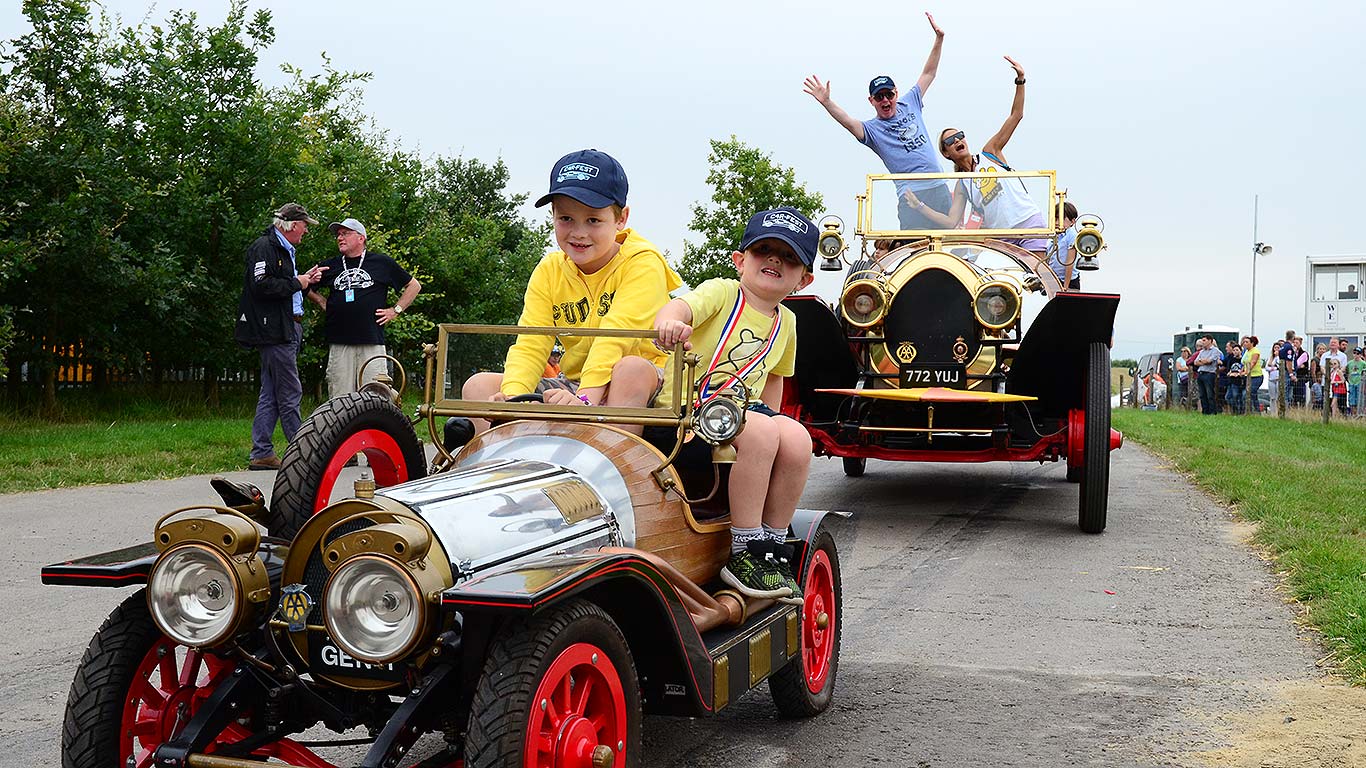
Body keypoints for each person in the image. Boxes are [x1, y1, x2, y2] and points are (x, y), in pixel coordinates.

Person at [651, 207, 818, 605]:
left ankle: (771, 544)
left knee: (796, 438)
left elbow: (775, 379)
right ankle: (744, 549)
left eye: (789, 257)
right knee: (761, 430)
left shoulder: (788, 322)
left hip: (737, 416)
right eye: (764, 251)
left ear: (803, 279)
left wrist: (777, 429)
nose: (775, 260)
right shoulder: (723, 292)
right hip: (685, 413)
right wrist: (671, 321)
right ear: (740, 261)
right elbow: (681, 308)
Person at [459, 149, 681, 436]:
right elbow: (531, 342)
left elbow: (615, 339)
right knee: (478, 387)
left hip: (644, 382)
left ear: (621, 218)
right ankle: (509, 466)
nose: (578, 232)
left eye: (593, 220)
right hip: (576, 382)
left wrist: (584, 400)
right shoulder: (550, 269)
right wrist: (512, 398)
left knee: (630, 369)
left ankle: (614, 469)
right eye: (565, 218)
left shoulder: (643, 263)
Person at [803, 13, 954, 229]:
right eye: (879, 97)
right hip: (911, 194)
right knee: (913, 249)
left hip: (938, 186)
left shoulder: (910, 102)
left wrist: (939, 39)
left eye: (889, 95)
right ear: (871, 100)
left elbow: (929, 73)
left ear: (896, 93)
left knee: (950, 243)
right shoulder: (872, 130)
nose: (885, 100)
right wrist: (827, 102)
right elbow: (847, 121)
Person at [907, 57, 1048, 255]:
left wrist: (1020, 80)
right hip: (1002, 237)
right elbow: (951, 221)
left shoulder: (990, 152)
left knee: (1037, 276)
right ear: (946, 154)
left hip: (1027, 221)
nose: (957, 141)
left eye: (959, 136)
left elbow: (1016, 115)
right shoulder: (962, 183)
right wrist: (918, 205)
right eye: (950, 141)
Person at [235, 203, 328, 470]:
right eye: (305, 226)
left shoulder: (283, 249)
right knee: (290, 390)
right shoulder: (265, 247)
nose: (306, 231)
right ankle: (303, 455)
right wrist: (297, 282)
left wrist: (306, 279)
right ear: (292, 225)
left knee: (272, 392)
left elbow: (283, 284)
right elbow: (261, 284)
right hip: (274, 331)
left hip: (285, 327)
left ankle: (262, 451)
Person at [310, 218, 421, 398]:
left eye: (345, 233)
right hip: (340, 342)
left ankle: (373, 427)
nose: (340, 238)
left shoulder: (381, 263)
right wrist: (321, 301)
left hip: (372, 341)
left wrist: (395, 310)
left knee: (375, 395)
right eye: (338, 234)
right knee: (339, 397)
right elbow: (306, 285)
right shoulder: (331, 265)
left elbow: (414, 286)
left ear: (361, 238)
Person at [1047, 201, 1080, 289]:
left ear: (1072, 221)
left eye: (1061, 219)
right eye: (1055, 219)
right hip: (1056, 280)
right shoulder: (1054, 237)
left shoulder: (1071, 235)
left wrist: (1065, 287)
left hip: (1069, 281)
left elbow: (1070, 263)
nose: (1057, 222)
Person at [1192, 335, 1222, 415]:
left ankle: (1212, 411)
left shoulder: (1215, 351)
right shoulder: (1202, 351)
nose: (1202, 342)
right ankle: (1205, 411)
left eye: (1204, 340)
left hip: (1209, 374)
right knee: (1202, 394)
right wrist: (1203, 361)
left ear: (1210, 341)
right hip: (1201, 374)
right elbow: (1195, 362)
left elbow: (1209, 361)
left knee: (1210, 394)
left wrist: (1202, 361)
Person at [1320, 338, 1348, 412]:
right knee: (1327, 402)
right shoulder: (1324, 355)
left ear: (1338, 345)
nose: (1332, 344)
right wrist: (1328, 375)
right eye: (1331, 342)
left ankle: (1340, 418)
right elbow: (1322, 367)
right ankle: (1328, 417)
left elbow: (1343, 368)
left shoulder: (1343, 356)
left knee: (1340, 403)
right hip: (1326, 382)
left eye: (1334, 342)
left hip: (1338, 385)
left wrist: (1335, 374)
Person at [1242, 335, 1263, 413]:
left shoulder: (1255, 351)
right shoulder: (1246, 352)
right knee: (1253, 395)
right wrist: (1242, 371)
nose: (1244, 343)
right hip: (1248, 377)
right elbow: (1244, 363)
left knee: (1248, 393)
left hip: (1256, 376)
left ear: (1252, 343)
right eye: (1244, 342)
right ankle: (1252, 411)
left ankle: (1254, 410)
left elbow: (1253, 362)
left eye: (1247, 342)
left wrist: (1247, 371)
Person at [1225, 345, 1246, 415]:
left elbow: (1244, 370)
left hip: (1239, 381)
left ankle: (1240, 412)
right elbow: (1229, 370)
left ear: (1241, 351)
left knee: (1237, 396)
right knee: (1228, 397)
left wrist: (1239, 374)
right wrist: (1231, 374)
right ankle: (1234, 411)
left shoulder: (1243, 360)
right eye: (1234, 350)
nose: (1235, 352)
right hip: (1231, 381)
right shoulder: (1231, 359)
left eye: (1237, 350)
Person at [1290, 337, 1310, 407]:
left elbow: (1296, 364)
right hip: (1292, 377)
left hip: (1300, 378)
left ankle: (1301, 411)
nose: (1295, 344)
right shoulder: (1291, 353)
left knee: (1300, 396)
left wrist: (1296, 366)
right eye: (1294, 343)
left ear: (1300, 344)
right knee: (1293, 396)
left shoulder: (1304, 354)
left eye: (1297, 343)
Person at [1347, 347, 1365, 416]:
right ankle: (1353, 414)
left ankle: (1359, 414)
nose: (1356, 355)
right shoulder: (1349, 363)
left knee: (1359, 399)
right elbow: (1347, 372)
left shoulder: (1363, 363)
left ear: (1360, 355)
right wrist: (1349, 380)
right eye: (1354, 353)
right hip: (1352, 383)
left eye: (1358, 353)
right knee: (1352, 399)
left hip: (1359, 383)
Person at [1266, 340, 1282, 412]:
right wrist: (1272, 368)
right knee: (1272, 397)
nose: (1276, 349)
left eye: (1278, 348)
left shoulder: (1280, 358)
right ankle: (1272, 410)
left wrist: (1274, 368)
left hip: (1278, 378)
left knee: (1278, 396)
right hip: (1271, 379)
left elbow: (1279, 366)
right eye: (1275, 348)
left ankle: (1278, 410)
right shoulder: (1271, 358)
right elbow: (1267, 367)